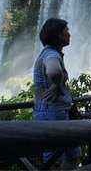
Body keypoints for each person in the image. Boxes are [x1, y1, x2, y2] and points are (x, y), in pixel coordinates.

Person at [33, 18, 80, 170]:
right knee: (55, 160)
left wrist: (57, 83)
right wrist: (57, 84)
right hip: (51, 112)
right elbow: (54, 70)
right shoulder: (51, 54)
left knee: (73, 155)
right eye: (67, 31)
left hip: (55, 112)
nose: (70, 35)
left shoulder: (49, 53)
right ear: (58, 35)